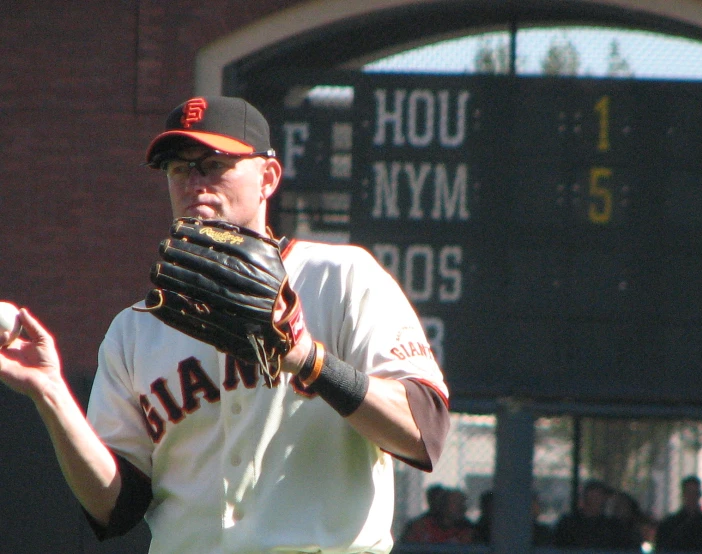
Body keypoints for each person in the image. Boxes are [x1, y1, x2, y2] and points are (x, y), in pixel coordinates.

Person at [0, 96, 451, 554]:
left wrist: (310, 361)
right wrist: (50, 391)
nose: (194, 182)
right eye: (178, 168)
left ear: (268, 178)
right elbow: (116, 509)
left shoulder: (341, 278)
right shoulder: (135, 329)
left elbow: (424, 430)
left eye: (214, 164)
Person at [552, 479, 634, 549]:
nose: (597, 500)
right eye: (594, 496)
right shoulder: (568, 523)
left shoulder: (613, 526)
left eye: (600, 496)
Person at [654, 475, 702, 552]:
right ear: (683, 495)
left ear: (699, 495)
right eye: (689, 492)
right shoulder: (668, 526)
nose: (691, 497)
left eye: (694, 493)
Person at [401, 487, 473, 544]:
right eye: (456, 503)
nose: (461, 507)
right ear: (444, 504)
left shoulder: (469, 531)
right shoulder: (420, 527)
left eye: (462, 503)